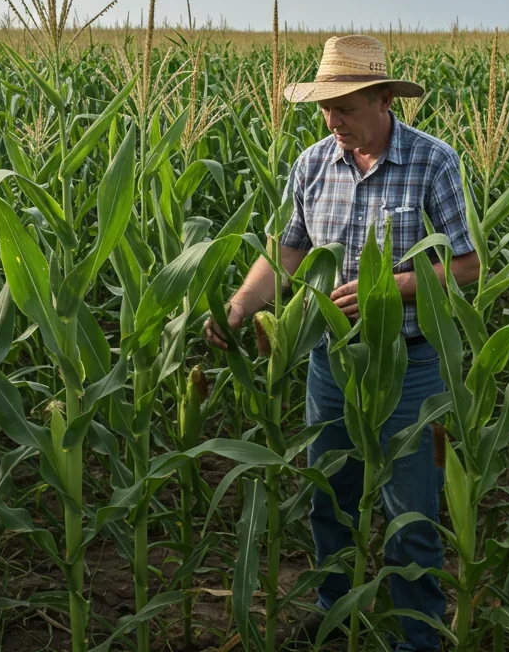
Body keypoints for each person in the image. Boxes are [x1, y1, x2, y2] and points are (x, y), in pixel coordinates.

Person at [204, 34, 481, 651]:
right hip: (329, 363)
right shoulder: (312, 163)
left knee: (411, 516)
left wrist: (394, 288)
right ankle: (337, 613)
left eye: (346, 108)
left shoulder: (432, 161)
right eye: (325, 109)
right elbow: (290, 253)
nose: (333, 122)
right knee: (329, 498)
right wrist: (243, 303)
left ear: (384, 99)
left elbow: (466, 267)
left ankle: (418, 636)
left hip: (410, 366)